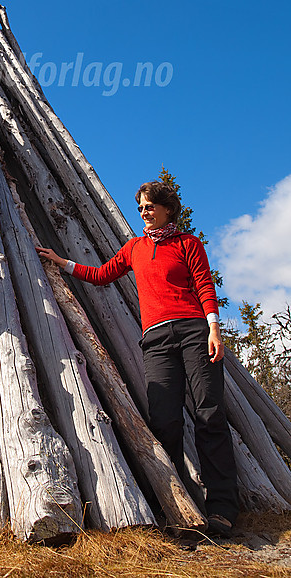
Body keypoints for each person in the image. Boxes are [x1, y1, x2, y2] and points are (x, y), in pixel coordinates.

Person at [36, 180, 238, 536]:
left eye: (150, 207)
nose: (144, 212)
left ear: (167, 210)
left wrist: (214, 329)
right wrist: (62, 262)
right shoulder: (135, 248)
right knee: (165, 421)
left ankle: (222, 510)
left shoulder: (187, 244)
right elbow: (101, 275)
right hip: (156, 339)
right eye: (141, 207)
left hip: (194, 331)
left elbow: (205, 285)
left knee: (209, 414)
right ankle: (177, 508)